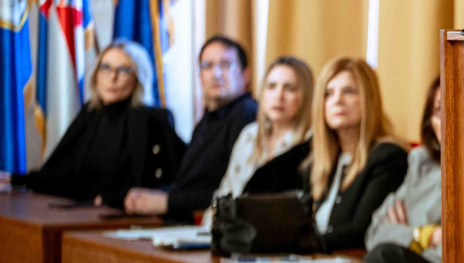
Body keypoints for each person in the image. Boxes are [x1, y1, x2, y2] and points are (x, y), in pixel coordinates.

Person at [0, 40, 185, 207]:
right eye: (105, 68)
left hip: (125, 218)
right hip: (82, 214)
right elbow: (64, 174)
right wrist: (16, 180)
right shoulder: (90, 114)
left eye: (123, 70)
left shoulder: (152, 120)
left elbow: (166, 185)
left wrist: (114, 199)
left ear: (138, 78)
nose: (112, 77)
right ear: (96, 74)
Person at [276, 56, 408, 252]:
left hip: (352, 262)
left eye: (349, 92)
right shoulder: (316, 161)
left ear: (369, 100)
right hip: (313, 260)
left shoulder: (388, 157)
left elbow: (361, 231)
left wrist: (296, 246)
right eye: (328, 93)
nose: (337, 100)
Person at [124, 35, 258, 221]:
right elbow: (190, 184)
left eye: (226, 65)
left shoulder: (246, 114)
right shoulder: (209, 118)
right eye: (207, 66)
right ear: (200, 76)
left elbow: (233, 192)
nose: (216, 74)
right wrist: (150, 198)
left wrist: (168, 201)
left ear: (245, 75)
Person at [209, 55, 314, 209]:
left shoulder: (310, 142)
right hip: (231, 220)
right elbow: (226, 190)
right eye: (271, 86)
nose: (279, 96)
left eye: (289, 88)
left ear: (305, 96)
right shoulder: (249, 134)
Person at [364, 77, 443, 263]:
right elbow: (375, 232)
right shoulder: (422, 165)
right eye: (440, 110)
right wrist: (426, 236)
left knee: (383, 258)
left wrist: (403, 237)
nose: (449, 118)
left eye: (458, 107)